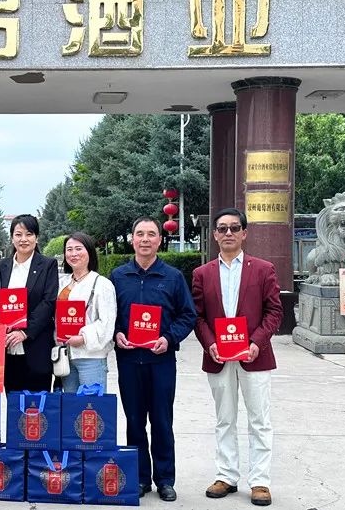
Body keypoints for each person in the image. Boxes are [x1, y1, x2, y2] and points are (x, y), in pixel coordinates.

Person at [191, 208, 282, 507]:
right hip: (218, 356)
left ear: (244, 233)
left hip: (254, 356)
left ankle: (260, 481)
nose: (228, 233)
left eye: (234, 228)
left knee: (259, 420)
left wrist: (257, 342)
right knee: (224, 419)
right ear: (215, 235)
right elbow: (198, 316)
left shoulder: (263, 269)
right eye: (222, 228)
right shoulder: (202, 274)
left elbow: (274, 311)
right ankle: (226, 476)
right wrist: (209, 344)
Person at [112, 216, 196, 502]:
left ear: (160, 240)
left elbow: (188, 315)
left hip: (161, 361)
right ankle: (139, 478)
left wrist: (169, 338)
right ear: (132, 239)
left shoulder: (172, 277)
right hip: (128, 360)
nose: (145, 239)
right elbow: (110, 314)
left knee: (161, 421)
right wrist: (117, 332)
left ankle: (165, 479)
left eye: (151, 234)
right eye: (140, 234)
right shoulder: (118, 276)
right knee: (134, 421)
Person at [0, 214, 59, 393]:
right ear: (12, 238)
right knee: (13, 401)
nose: (23, 239)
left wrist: (25, 332)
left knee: (37, 403)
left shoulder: (48, 265)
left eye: (29, 234)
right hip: (7, 347)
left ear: (36, 238)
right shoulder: (1, 267)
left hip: (36, 346)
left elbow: (48, 302)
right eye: (18, 234)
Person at [56, 232, 116, 392]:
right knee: (70, 404)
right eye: (69, 249)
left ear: (89, 252)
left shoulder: (102, 284)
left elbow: (107, 322)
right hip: (66, 357)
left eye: (78, 249)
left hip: (91, 357)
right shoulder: (61, 283)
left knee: (91, 405)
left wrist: (84, 338)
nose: (73, 254)